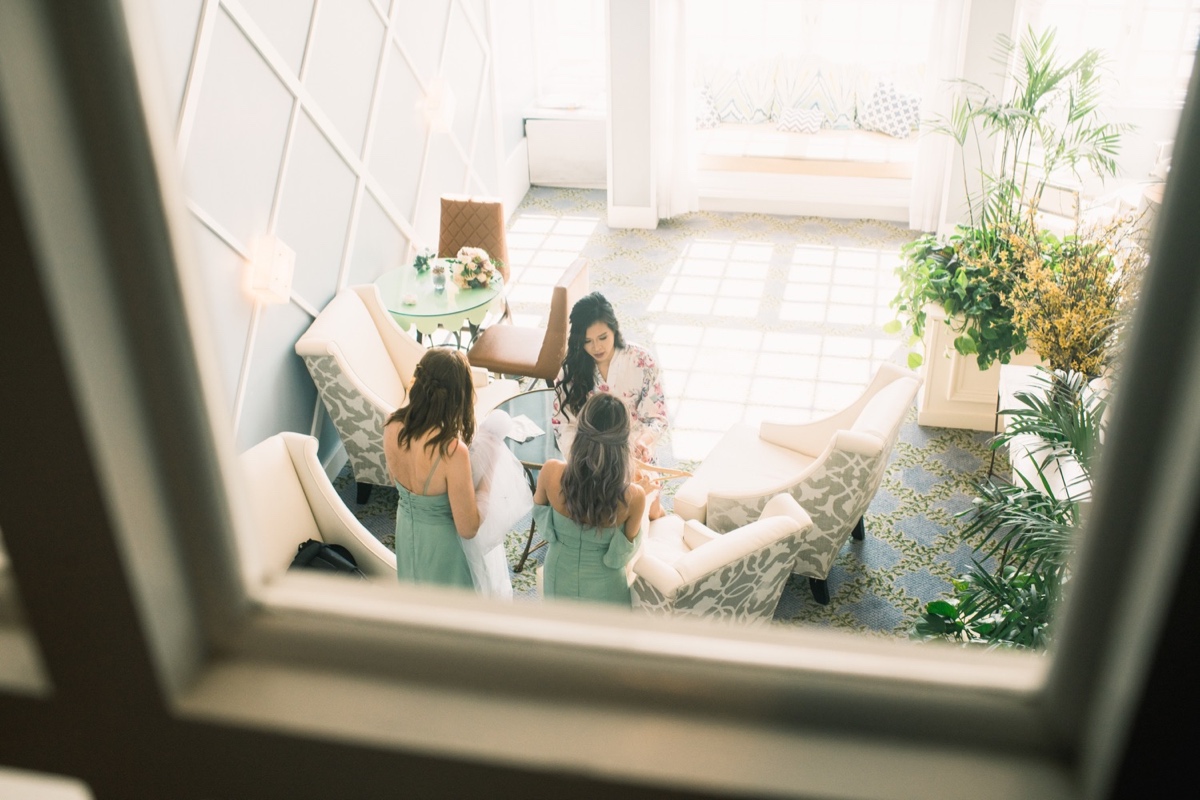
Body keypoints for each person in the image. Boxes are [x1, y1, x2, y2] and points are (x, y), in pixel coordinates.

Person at [550, 292, 669, 518]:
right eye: (587, 341)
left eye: (603, 337)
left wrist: (644, 441)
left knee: (650, 513)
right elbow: (563, 423)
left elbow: (657, 417)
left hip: (635, 456)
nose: (596, 347)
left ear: (615, 329)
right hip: (590, 462)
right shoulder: (571, 371)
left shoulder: (642, 361)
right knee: (604, 522)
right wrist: (585, 458)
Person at [534, 393, 647, 607]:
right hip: (605, 588)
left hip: (558, 573)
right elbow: (618, 557)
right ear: (624, 442)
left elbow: (544, 525)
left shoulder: (550, 471)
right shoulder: (634, 497)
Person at [384, 348, 480, 589]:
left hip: (406, 529)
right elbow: (468, 528)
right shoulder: (452, 451)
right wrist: (486, 490)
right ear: (459, 396)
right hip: (442, 546)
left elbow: (394, 480)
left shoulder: (392, 426)